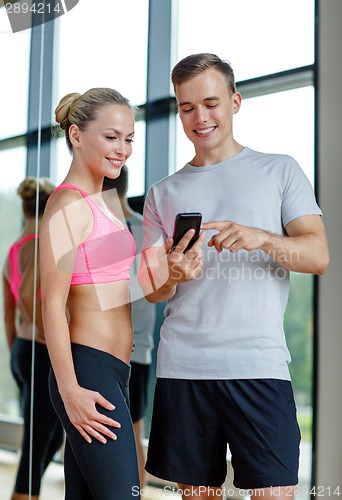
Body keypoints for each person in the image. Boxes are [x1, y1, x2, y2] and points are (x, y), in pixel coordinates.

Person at [138, 53, 329, 500]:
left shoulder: (280, 170)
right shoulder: (161, 193)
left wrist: (261, 238)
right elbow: (152, 291)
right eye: (187, 108)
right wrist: (172, 273)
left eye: (211, 103)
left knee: (273, 494)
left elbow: (318, 255)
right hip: (183, 368)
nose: (200, 118)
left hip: (258, 365)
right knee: (198, 496)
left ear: (235, 102)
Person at [39, 88, 140, 499]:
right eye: (112, 137)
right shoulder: (68, 203)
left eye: (129, 139)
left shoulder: (102, 204)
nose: (123, 149)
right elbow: (51, 302)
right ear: (77, 136)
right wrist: (70, 390)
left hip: (113, 373)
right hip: (87, 373)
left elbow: (106, 287)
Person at [2, 176, 64, 500]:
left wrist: (17, 357)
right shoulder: (44, 244)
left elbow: (7, 314)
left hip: (23, 351)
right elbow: (28, 295)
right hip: (40, 350)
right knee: (34, 448)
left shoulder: (14, 250)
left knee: (45, 441)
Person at [102, 166, 156, 488]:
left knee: (117, 436)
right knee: (133, 433)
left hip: (114, 350)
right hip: (141, 350)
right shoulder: (145, 229)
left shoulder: (110, 231)